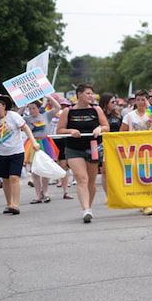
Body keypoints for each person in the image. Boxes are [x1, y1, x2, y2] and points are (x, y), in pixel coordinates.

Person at [56, 83, 109, 223]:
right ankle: (85, 209)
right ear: (79, 95)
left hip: (93, 147)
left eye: (92, 94)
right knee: (81, 178)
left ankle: (89, 207)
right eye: (88, 93)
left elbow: (106, 126)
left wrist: (100, 128)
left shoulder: (96, 110)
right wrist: (71, 131)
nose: (91, 96)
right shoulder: (68, 111)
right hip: (74, 148)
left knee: (91, 181)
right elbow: (59, 130)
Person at [121, 89, 152, 215]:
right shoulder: (129, 115)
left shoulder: (151, 113)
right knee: (139, 176)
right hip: (134, 149)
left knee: (149, 176)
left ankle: (146, 202)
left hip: (149, 148)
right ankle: (144, 203)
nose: (140, 102)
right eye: (138, 99)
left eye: (143, 99)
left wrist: (150, 108)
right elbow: (122, 132)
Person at [19, 96, 61, 204]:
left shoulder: (46, 116)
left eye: (34, 108)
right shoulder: (27, 119)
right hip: (32, 144)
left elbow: (58, 107)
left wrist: (49, 97)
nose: (32, 110)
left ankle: (45, 192)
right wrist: (23, 106)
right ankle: (38, 194)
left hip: (45, 143)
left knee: (45, 169)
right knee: (35, 171)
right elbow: (16, 117)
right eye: (30, 108)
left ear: (38, 108)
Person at [52, 96, 74, 199]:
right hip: (52, 140)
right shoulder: (50, 113)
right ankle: (44, 192)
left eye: (66, 105)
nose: (64, 107)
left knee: (64, 164)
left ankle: (65, 189)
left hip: (63, 139)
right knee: (53, 163)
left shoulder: (68, 113)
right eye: (62, 105)